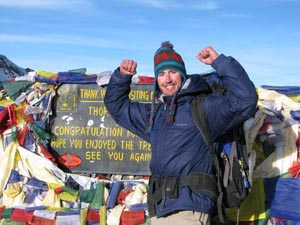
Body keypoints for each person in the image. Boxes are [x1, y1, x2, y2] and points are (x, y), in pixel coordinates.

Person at [104, 41, 258, 225]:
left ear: (183, 74)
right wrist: (122, 77)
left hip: (190, 207)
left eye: (173, 72)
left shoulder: (204, 108)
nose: (167, 79)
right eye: (161, 74)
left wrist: (220, 62)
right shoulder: (155, 115)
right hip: (161, 206)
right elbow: (117, 107)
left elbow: (245, 100)